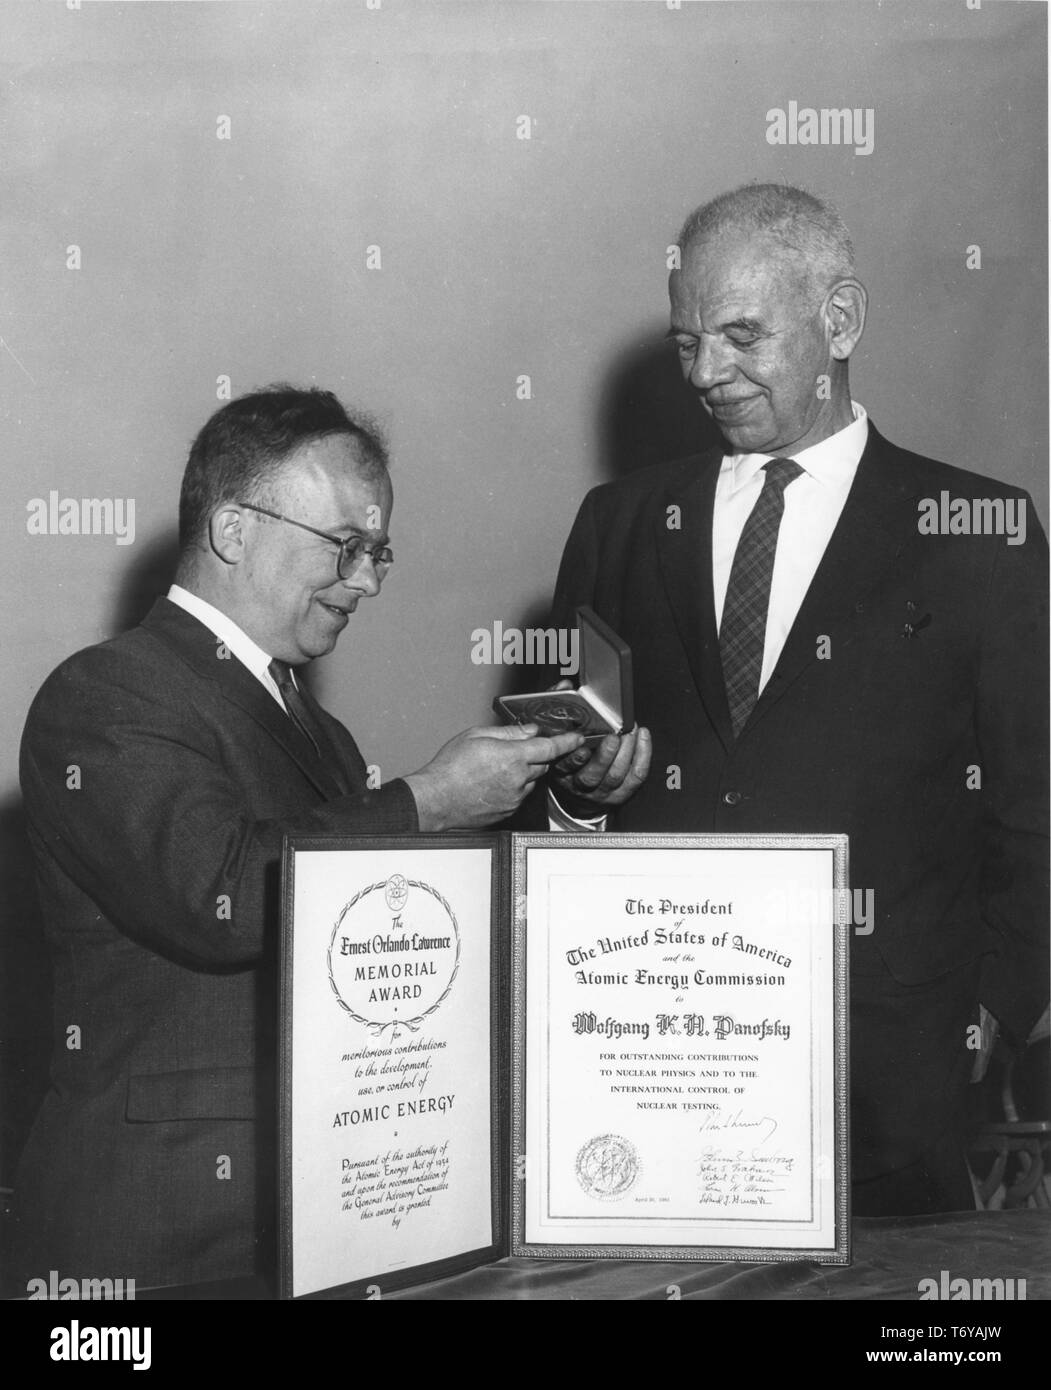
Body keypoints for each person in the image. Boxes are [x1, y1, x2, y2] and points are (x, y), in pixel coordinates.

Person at [12, 385, 588, 1291]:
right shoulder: (107, 694)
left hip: (315, 1225)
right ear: (234, 530)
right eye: (346, 547)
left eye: (379, 553)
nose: (366, 581)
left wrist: (565, 802)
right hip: (162, 1238)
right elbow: (221, 896)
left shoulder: (321, 734)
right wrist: (430, 798)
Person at [546, 184, 1049, 1216]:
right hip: (651, 1080)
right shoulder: (618, 524)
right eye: (688, 343)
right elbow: (563, 795)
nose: (705, 375)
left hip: (892, 1092)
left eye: (740, 336)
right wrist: (581, 793)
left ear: (840, 320)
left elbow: (1038, 810)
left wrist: (986, 1014)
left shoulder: (981, 532)